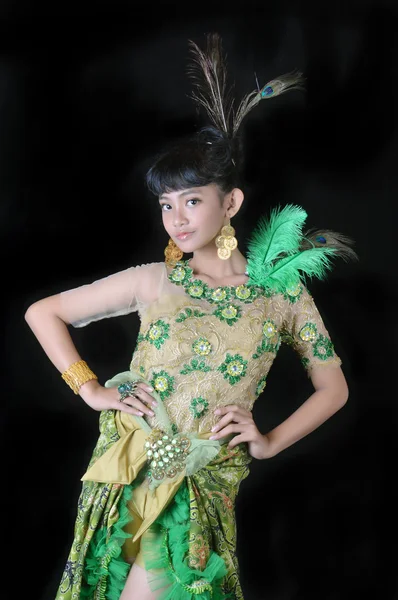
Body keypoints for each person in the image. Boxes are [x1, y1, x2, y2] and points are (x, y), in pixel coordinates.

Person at [25, 34, 358, 600]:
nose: (176, 219)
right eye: (166, 205)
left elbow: (333, 387)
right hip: (126, 471)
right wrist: (91, 390)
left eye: (192, 201)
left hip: (204, 485)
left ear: (231, 204)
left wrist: (269, 441)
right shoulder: (154, 279)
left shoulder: (282, 293)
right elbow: (44, 312)